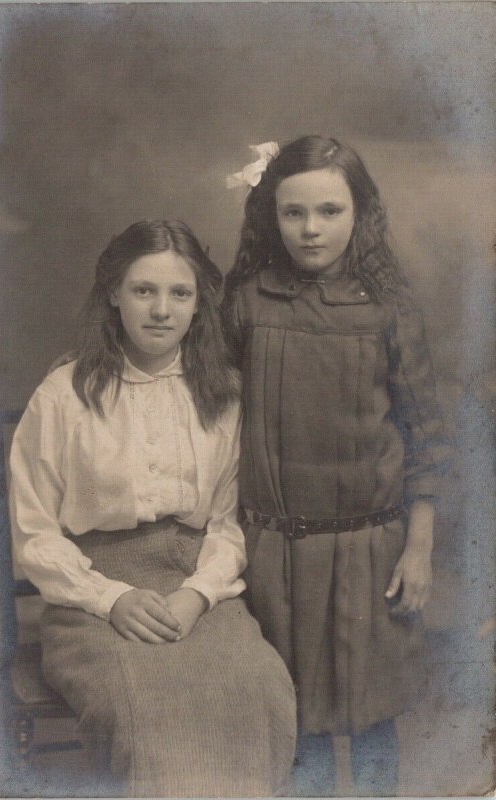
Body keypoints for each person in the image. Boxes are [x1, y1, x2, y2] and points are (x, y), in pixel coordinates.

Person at [9, 219, 296, 797]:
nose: (161, 310)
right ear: (114, 294)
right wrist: (111, 598)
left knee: (259, 689)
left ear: (200, 304)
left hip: (196, 586)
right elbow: (35, 534)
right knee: (149, 719)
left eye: (180, 293)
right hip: (87, 596)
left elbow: (228, 522)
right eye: (144, 290)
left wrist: (196, 594)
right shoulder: (64, 395)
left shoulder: (224, 394)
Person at [223, 137, 452, 796]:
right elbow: (206, 404)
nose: (310, 229)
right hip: (272, 553)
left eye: (328, 210)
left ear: (359, 213)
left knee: (373, 724)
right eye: (293, 213)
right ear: (270, 215)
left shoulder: (387, 307)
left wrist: (419, 547)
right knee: (295, 731)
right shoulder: (246, 301)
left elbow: (426, 436)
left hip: (371, 551)